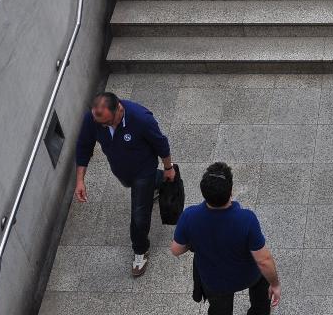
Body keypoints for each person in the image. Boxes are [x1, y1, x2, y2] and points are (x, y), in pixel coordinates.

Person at [74, 93, 177, 278]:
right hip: (122, 171)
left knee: (139, 214)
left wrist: (168, 167)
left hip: (143, 171)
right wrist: (80, 180)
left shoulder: (141, 119)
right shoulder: (94, 119)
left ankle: (140, 250)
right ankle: (160, 181)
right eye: (101, 124)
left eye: (107, 123)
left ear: (119, 109)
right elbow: (83, 146)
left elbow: (161, 143)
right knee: (135, 185)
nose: (104, 127)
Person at [172, 163, 282, 315]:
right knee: (261, 298)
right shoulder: (246, 219)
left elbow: (176, 249)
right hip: (248, 276)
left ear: (204, 192)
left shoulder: (190, 216)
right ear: (230, 191)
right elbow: (263, 260)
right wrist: (275, 284)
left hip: (215, 281)